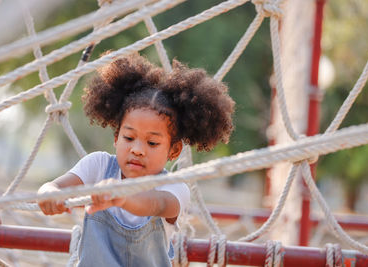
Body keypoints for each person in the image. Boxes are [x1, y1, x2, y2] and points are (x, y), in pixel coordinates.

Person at [37, 53, 235, 266]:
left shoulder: (175, 188)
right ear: (116, 137)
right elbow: (53, 186)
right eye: (129, 138)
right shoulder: (99, 166)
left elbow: (157, 204)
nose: (138, 150)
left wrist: (123, 197)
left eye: (152, 143)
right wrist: (50, 194)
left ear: (174, 150)